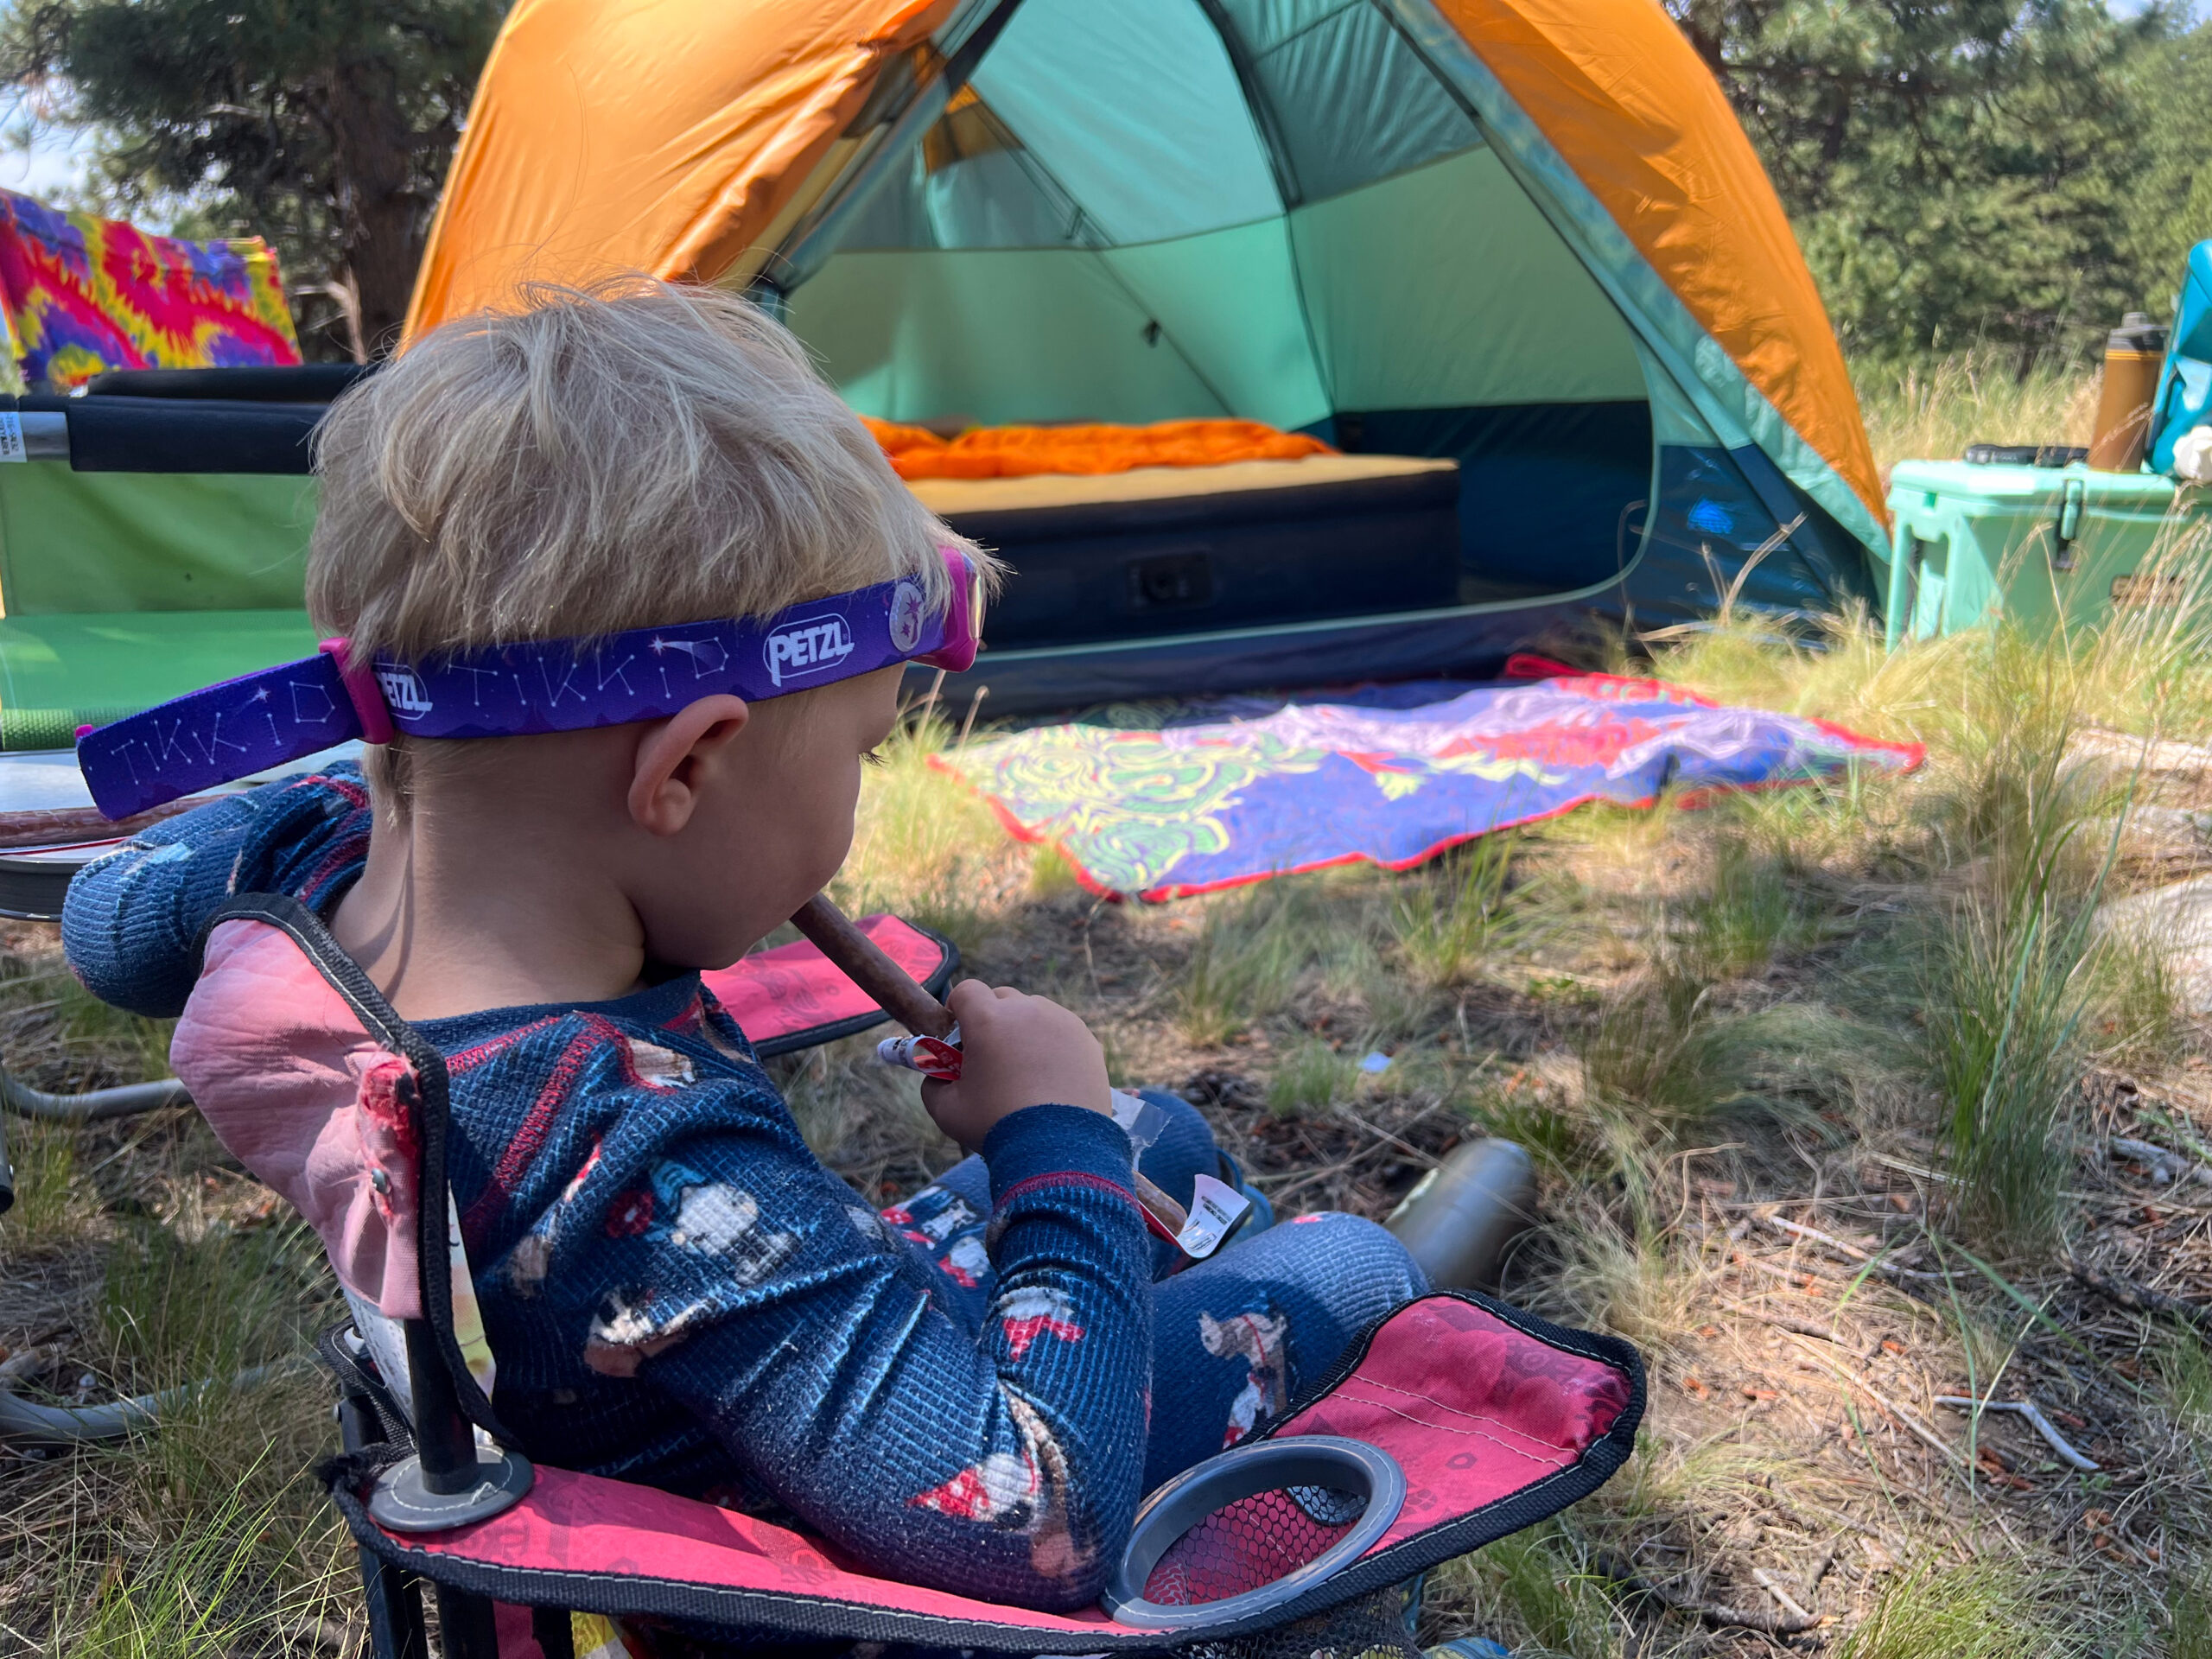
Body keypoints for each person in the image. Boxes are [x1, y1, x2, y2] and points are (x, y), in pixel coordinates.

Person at [61, 279, 1426, 1614]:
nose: (858, 796)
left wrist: (402, 776)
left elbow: (114, 921)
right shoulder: (626, 1156)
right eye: (862, 749)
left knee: (1163, 1138)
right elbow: (1030, 1520)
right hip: (827, 1560)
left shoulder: (309, 886)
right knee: (1343, 1263)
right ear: (690, 766)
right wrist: (1049, 1141)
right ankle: (1284, 1466)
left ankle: (1177, 1260)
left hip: (721, 1369)